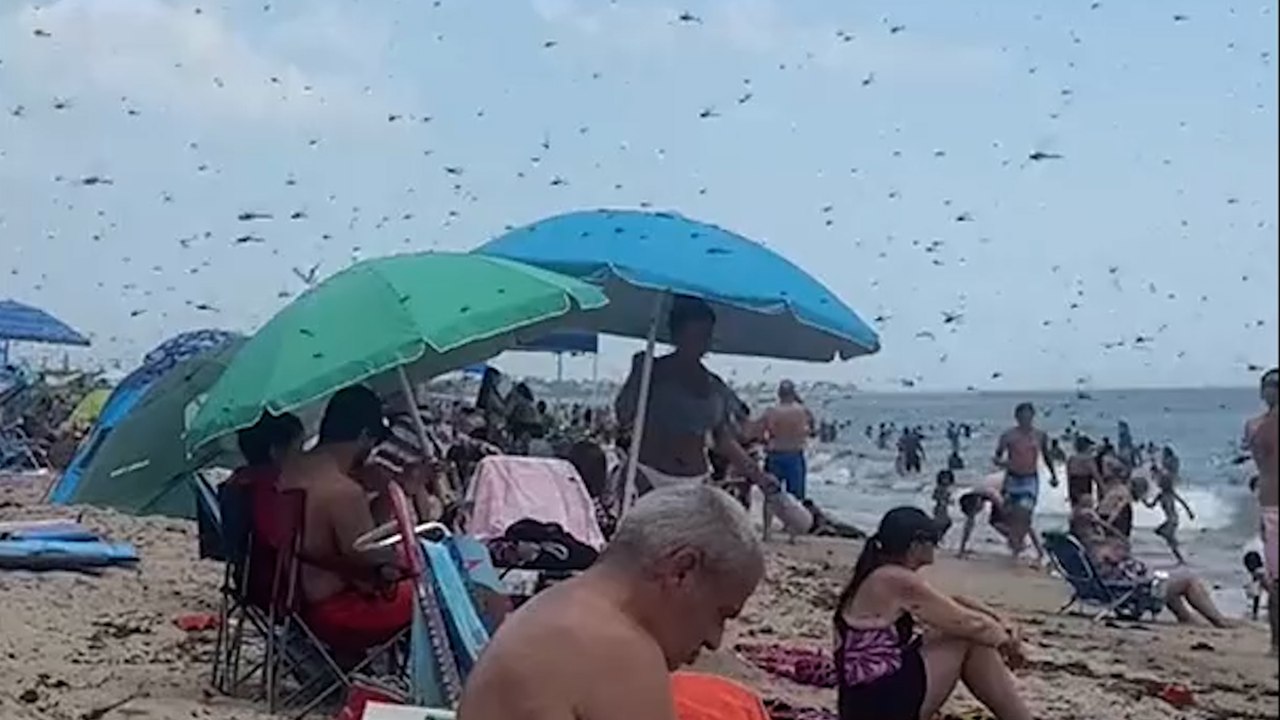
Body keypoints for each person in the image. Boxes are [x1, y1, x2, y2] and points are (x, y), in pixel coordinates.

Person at [457, 485, 765, 720]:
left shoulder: (557, 607)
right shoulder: (621, 651)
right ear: (682, 570)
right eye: (721, 614)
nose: (714, 640)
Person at [833, 507, 1032, 720]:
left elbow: (954, 603)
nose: (937, 546)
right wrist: (1008, 643)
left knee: (960, 634)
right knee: (966, 639)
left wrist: (1000, 620)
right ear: (916, 544)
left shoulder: (883, 574)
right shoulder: (895, 579)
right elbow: (967, 623)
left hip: (864, 700)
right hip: (877, 706)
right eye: (934, 541)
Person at [277, 385, 412, 649]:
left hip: (291, 601)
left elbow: (347, 544)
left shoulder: (289, 470)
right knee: (439, 597)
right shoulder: (343, 491)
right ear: (364, 435)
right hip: (336, 614)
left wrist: (383, 494)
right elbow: (370, 563)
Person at [614, 296, 776, 498]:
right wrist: (637, 375)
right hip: (648, 474)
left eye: (704, 336)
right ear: (676, 334)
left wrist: (759, 476)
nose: (699, 343)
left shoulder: (714, 385)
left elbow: (723, 439)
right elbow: (624, 414)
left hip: (696, 478)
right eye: (693, 335)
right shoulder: (651, 371)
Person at [992, 403, 1056, 562]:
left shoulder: (1040, 435)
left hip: (1030, 480)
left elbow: (1047, 456)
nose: (1025, 419)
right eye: (1022, 416)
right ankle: (1019, 547)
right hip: (1012, 479)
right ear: (1017, 417)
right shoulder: (1008, 436)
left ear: (1033, 416)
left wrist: (1053, 475)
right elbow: (997, 457)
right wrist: (1002, 463)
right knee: (1013, 518)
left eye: (1028, 416)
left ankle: (1019, 550)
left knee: (1025, 513)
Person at [1244, 367, 1278, 653]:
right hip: (1271, 504)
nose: (1272, 390)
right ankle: (1276, 641)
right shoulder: (1255, 426)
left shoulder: (1256, 426)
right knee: (1275, 577)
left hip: (1270, 502)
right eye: (1268, 385)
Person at [761, 379, 814, 501]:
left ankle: (768, 520)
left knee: (771, 496)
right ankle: (795, 520)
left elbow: (761, 434)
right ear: (793, 393)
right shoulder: (803, 411)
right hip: (794, 454)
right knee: (796, 497)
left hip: (775, 454)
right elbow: (812, 431)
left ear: (779, 394)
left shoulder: (771, 411)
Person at [1146, 447, 1194, 564]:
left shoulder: (1170, 494)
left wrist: (1190, 513)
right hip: (1170, 521)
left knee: (1169, 539)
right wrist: (1142, 500)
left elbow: (1183, 503)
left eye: (1160, 483)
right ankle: (1181, 554)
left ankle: (1181, 558)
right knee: (1162, 534)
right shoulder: (1161, 495)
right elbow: (1150, 506)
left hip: (1173, 520)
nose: (1158, 483)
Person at [1065, 435, 1101, 507]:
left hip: (1073, 487)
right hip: (1084, 485)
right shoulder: (1088, 460)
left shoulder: (1071, 459)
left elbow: (1068, 477)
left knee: (1075, 509)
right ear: (1086, 447)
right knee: (1086, 509)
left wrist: (1068, 493)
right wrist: (1103, 488)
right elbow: (1096, 475)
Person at [931, 470, 957, 542]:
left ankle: (939, 537)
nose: (946, 481)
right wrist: (942, 500)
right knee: (943, 523)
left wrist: (948, 501)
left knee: (946, 523)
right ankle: (937, 537)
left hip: (943, 508)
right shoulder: (940, 488)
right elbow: (934, 496)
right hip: (939, 508)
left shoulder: (946, 488)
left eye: (947, 479)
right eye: (944, 479)